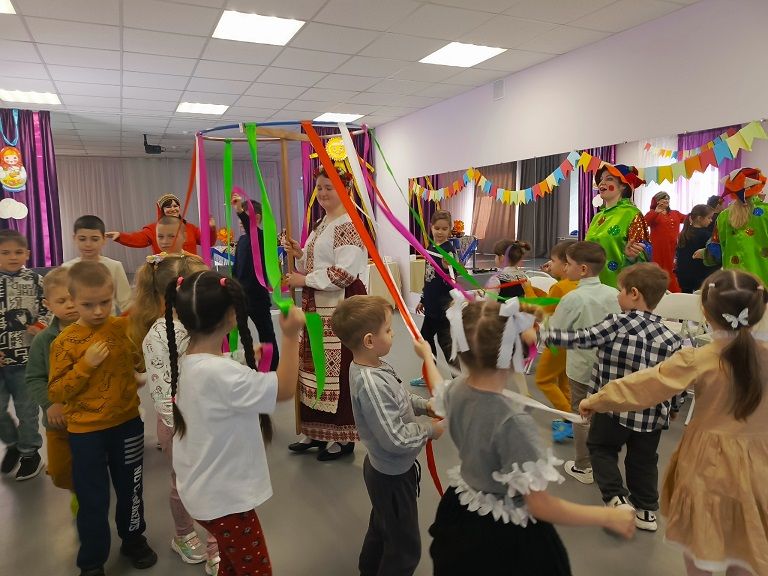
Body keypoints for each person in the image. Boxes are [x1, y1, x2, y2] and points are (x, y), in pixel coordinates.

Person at [580, 269, 768, 576]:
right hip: (761, 465)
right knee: (747, 542)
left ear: (705, 311)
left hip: (709, 464)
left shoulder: (698, 358)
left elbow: (644, 386)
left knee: (701, 544)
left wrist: (597, 399)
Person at [429, 297, 635, 576]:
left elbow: (437, 391)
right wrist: (607, 515)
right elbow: (540, 505)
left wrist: (426, 356)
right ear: (516, 356)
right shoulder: (514, 423)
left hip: (460, 512)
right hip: (502, 534)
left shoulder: (455, 390)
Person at [167, 270, 305, 576]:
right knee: (255, 570)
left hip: (201, 490)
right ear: (232, 315)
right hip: (225, 500)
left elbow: (217, 375)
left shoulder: (188, 360)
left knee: (232, 564)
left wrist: (239, 357)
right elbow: (284, 389)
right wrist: (291, 335)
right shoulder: (223, 374)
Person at [543, 263, 684, 532]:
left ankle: (616, 497)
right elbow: (676, 379)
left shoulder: (617, 323)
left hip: (612, 409)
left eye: (620, 291)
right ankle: (646, 511)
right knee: (644, 461)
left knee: (601, 448)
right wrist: (674, 407)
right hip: (651, 416)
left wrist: (545, 335)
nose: (617, 296)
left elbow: (582, 338)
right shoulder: (671, 338)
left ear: (634, 293)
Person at [49, 261, 156, 576]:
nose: (98, 311)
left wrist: (140, 363)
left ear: (112, 297)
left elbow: (138, 362)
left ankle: (133, 539)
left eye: (105, 302)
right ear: (73, 301)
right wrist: (86, 364)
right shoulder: (64, 342)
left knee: (131, 487)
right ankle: (92, 560)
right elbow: (57, 390)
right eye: (87, 304)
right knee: (92, 497)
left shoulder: (122, 328)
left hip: (127, 425)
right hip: (86, 433)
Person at [331, 295, 444, 576]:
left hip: (388, 472)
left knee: (383, 526)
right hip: (392, 478)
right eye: (389, 330)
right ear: (369, 340)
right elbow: (396, 439)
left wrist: (424, 406)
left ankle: (369, 569)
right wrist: (431, 430)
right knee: (405, 547)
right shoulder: (371, 383)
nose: (393, 334)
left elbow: (399, 398)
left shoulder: (376, 367)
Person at [129, 253, 218, 572]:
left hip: (210, 419)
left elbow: (209, 366)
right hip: (182, 426)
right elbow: (162, 391)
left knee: (214, 483)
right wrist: (184, 429)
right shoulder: (159, 335)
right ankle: (183, 534)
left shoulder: (200, 323)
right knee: (185, 485)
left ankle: (216, 542)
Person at [283, 166, 368, 461]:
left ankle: (341, 438)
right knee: (314, 367)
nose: (322, 193)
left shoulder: (349, 224)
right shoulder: (321, 223)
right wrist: (300, 254)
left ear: (345, 190)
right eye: (319, 188)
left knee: (337, 371)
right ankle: (316, 431)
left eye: (329, 187)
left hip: (340, 305)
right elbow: (314, 263)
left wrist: (303, 279)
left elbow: (344, 273)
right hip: (317, 303)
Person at [548, 241, 620, 485]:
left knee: (581, 413)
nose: (565, 268)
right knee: (606, 412)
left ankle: (583, 465)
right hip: (610, 367)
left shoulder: (573, 298)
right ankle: (605, 461)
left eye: (568, 264)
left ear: (583, 269)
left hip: (581, 368)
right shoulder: (613, 294)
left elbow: (555, 333)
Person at [25, 268, 79, 512]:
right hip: (58, 422)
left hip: (91, 418)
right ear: (48, 304)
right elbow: (34, 377)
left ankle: (86, 494)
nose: (70, 305)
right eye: (62, 300)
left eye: (74, 297)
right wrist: (50, 404)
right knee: (59, 470)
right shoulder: (43, 340)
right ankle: (74, 489)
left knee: (93, 465)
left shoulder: (96, 331)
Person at [0, 229, 46, 481]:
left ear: (27, 253)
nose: (12, 257)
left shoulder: (35, 280)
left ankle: (30, 453)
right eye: (5, 252)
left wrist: (40, 325)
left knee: (27, 410)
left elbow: (49, 307)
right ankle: (13, 444)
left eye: (18, 252)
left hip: (26, 360)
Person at [533, 241, 578, 443]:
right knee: (563, 381)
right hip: (573, 342)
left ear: (566, 265)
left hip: (557, 341)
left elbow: (543, 310)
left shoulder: (559, 287)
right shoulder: (574, 284)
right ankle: (569, 418)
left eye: (553, 260)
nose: (550, 264)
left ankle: (572, 419)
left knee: (543, 379)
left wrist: (528, 290)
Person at [232, 192, 278, 370]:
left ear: (256, 218)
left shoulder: (261, 237)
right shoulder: (242, 240)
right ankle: (249, 365)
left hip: (257, 297)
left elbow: (250, 229)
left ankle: (272, 368)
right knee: (241, 333)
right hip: (241, 296)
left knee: (266, 334)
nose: (240, 221)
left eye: (244, 216)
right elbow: (237, 267)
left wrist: (239, 211)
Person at [585, 164, 650, 287]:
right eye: (601, 179)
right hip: (591, 285)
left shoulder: (632, 214)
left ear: (623, 186)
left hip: (618, 287)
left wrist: (631, 257)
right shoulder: (597, 217)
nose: (601, 183)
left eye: (609, 179)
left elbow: (643, 255)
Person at [701, 167, 768, 285]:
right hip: (762, 282)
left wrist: (704, 254)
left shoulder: (723, 216)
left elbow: (715, 251)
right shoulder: (766, 212)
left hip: (733, 282)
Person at [63, 215, 132, 314]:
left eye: (94, 239)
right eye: (82, 239)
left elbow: (126, 303)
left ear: (104, 239)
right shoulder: (67, 268)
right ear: (74, 239)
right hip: (77, 322)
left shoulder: (114, 266)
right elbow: (63, 301)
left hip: (107, 321)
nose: (88, 244)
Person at [414, 210, 457, 371]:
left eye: (444, 229)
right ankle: (430, 372)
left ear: (450, 229)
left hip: (443, 306)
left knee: (445, 342)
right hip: (431, 304)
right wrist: (423, 299)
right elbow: (428, 277)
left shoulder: (449, 250)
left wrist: (447, 268)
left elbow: (454, 278)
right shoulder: (431, 246)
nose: (440, 232)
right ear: (431, 227)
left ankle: (458, 377)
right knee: (426, 338)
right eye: (437, 228)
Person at [106, 193, 216, 255]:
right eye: (168, 207)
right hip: (165, 273)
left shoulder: (190, 228)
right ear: (161, 210)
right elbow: (138, 238)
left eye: (175, 206)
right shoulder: (153, 229)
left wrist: (211, 229)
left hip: (189, 273)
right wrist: (120, 236)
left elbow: (208, 242)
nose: (173, 209)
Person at [645, 191, 685, 292]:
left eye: (667, 199)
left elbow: (688, 218)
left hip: (672, 247)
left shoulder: (675, 213)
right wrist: (656, 212)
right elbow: (645, 223)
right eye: (663, 198)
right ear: (657, 201)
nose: (666, 200)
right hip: (658, 247)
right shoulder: (653, 213)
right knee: (658, 268)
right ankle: (657, 291)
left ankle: (672, 291)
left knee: (670, 267)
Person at [675, 204, 715, 293]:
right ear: (700, 218)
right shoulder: (706, 235)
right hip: (700, 277)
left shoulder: (683, 233)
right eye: (709, 218)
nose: (711, 220)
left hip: (684, 276)